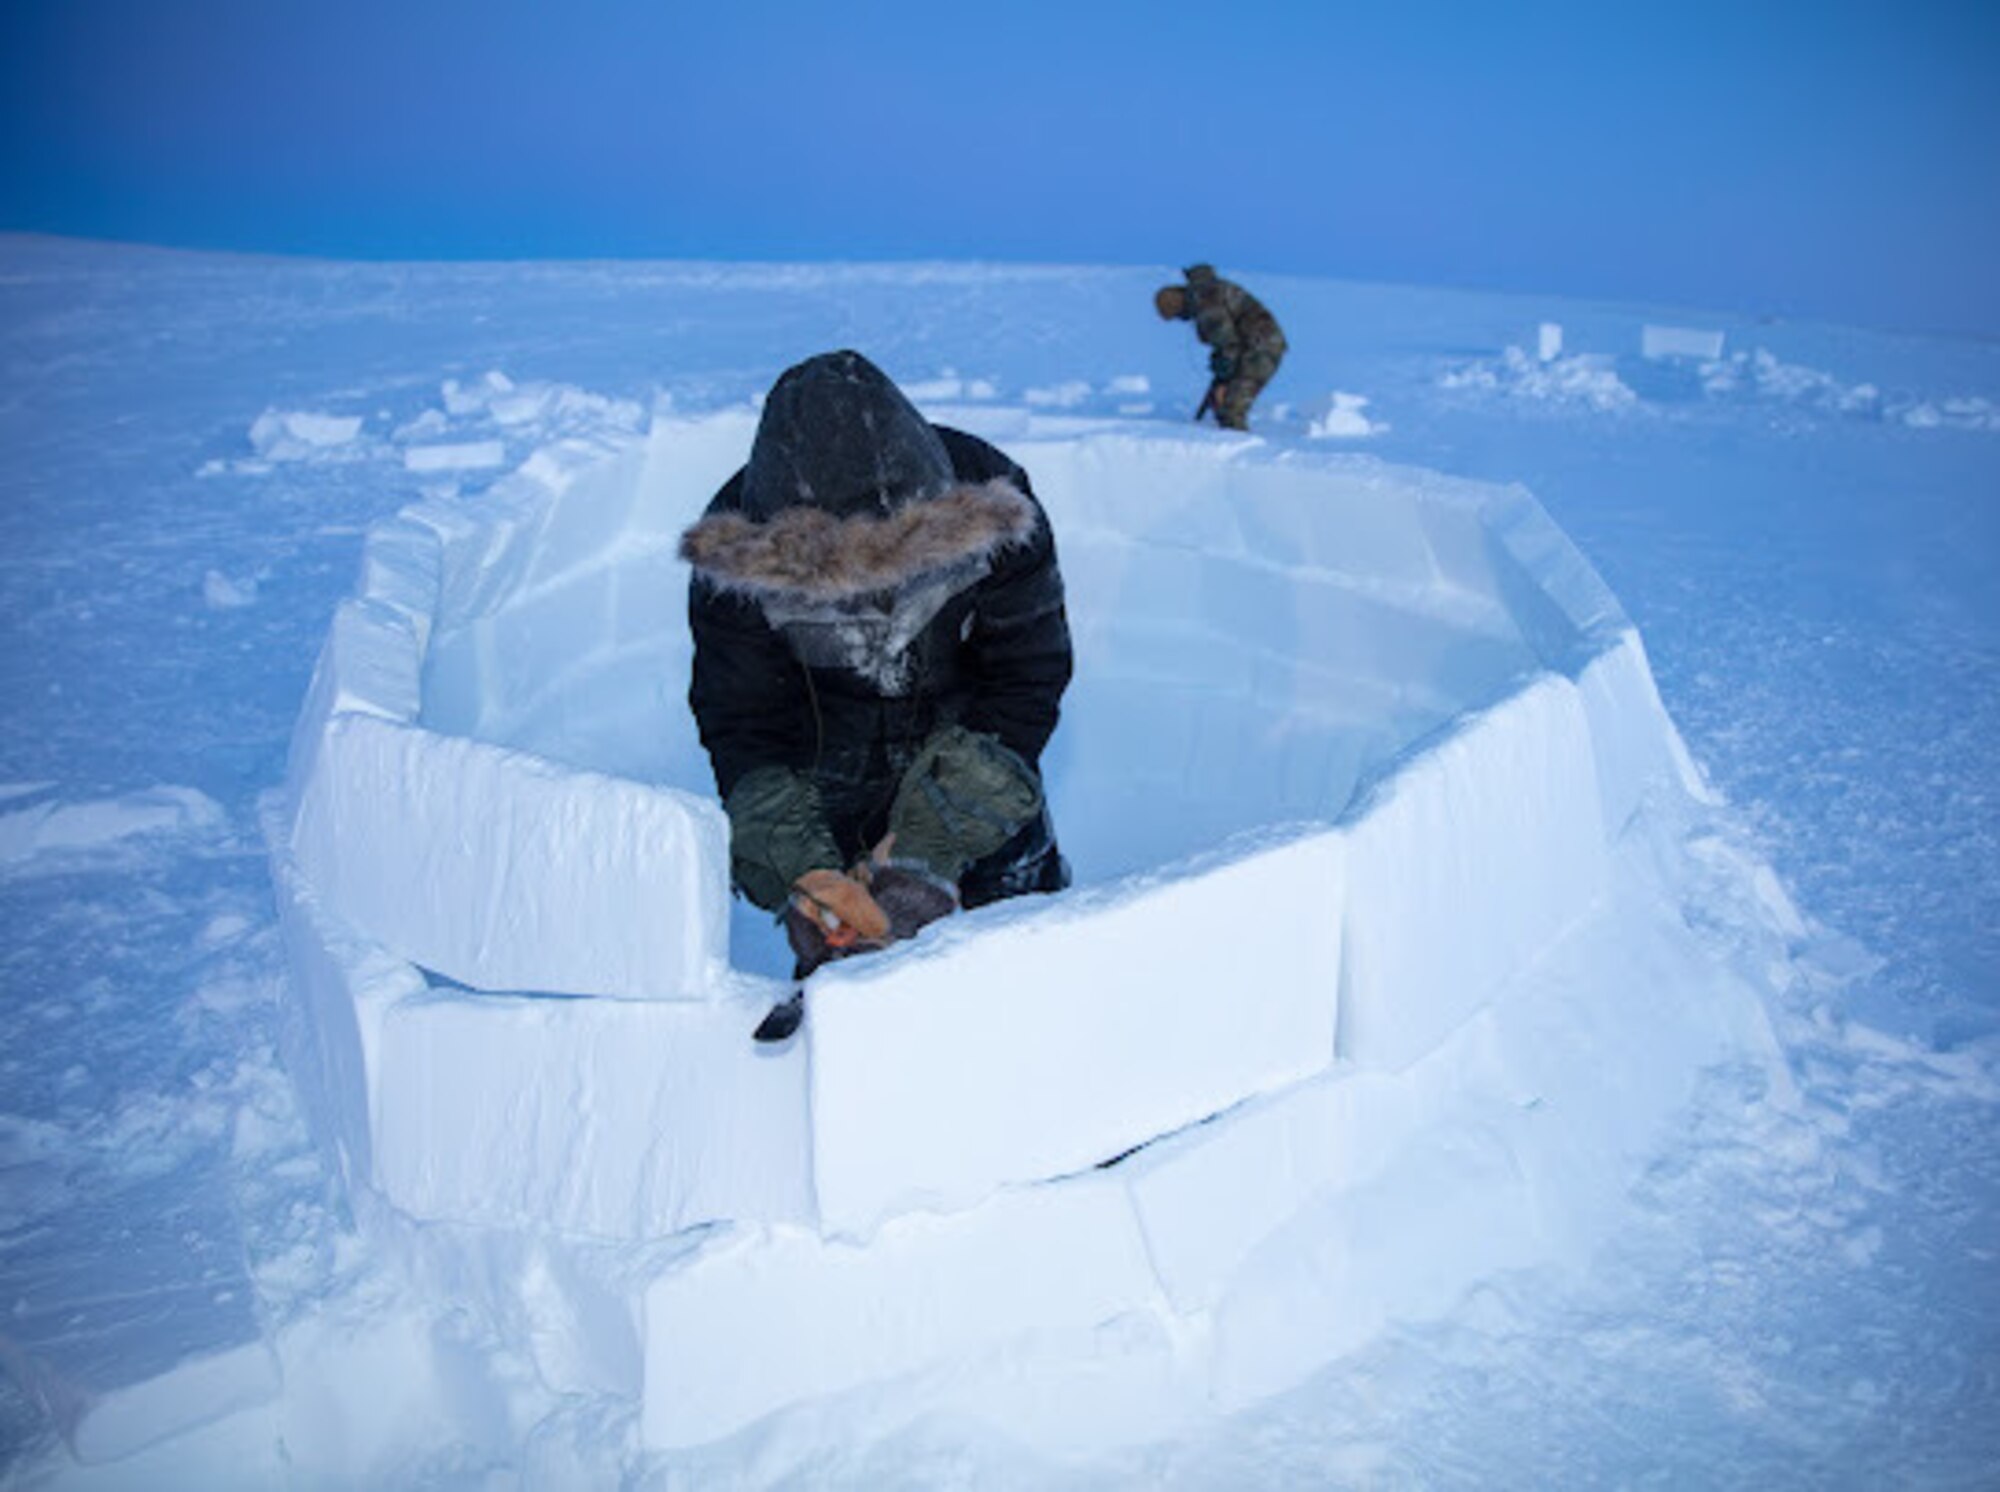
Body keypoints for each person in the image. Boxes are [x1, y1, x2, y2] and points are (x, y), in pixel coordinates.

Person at [680, 350, 1073, 976]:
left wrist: (929, 841)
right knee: (856, 996)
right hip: (826, 796)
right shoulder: (736, 559)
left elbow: (1025, 678)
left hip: (982, 770)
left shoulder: (993, 509)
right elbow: (744, 724)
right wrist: (805, 869)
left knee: (1030, 970)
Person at [1154, 263, 1287, 431]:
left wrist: (1224, 378)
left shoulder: (1205, 301)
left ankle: (1236, 451)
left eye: (1177, 315)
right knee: (1225, 404)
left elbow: (1226, 343)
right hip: (1258, 344)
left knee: (1231, 409)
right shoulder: (1208, 291)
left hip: (1261, 348)